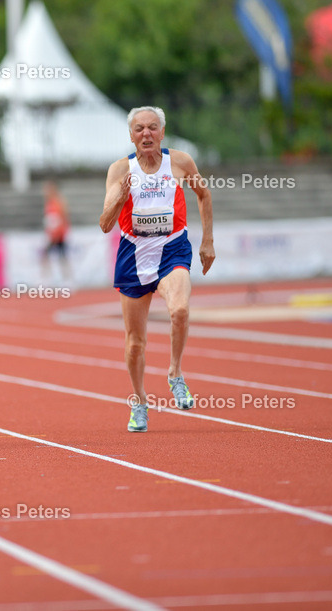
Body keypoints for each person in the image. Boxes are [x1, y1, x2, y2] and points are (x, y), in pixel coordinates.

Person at [99, 106, 215, 433]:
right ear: (131, 135)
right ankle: (139, 401)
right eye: (139, 129)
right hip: (132, 256)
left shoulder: (179, 162)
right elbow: (105, 224)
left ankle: (175, 373)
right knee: (136, 342)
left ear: (162, 133)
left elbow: (203, 194)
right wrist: (119, 199)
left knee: (179, 310)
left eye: (152, 128)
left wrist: (207, 241)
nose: (146, 134)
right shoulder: (120, 170)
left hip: (172, 249)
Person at [41, 180, 71, 282]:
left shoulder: (59, 202)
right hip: (52, 234)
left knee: (62, 256)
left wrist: (59, 233)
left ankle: (67, 279)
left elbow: (63, 218)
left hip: (59, 234)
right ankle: (48, 278)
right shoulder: (48, 203)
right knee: (49, 256)